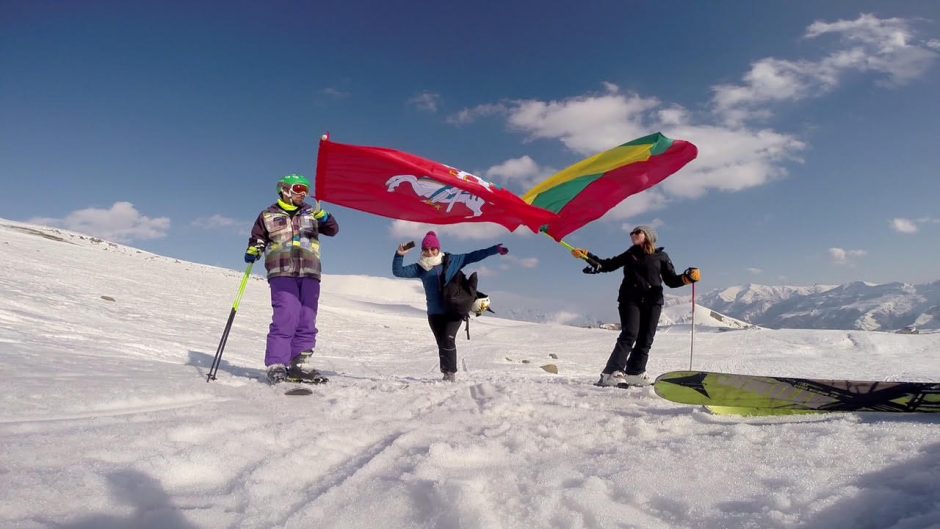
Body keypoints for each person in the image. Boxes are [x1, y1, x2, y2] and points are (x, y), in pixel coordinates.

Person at [573, 225, 700, 387]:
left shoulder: (661, 256)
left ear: (648, 235)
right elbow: (608, 265)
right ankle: (610, 373)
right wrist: (587, 256)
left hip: (653, 301)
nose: (632, 234)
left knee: (646, 338)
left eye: (637, 232)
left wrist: (688, 278)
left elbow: (671, 280)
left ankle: (635, 372)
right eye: (631, 233)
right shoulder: (630, 254)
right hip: (630, 299)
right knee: (630, 333)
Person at [245, 174, 339, 384]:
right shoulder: (267, 214)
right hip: (281, 271)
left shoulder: (311, 213)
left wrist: (324, 215)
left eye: (306, 189)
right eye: (298, 188)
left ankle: (300, 362)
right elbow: (257, 237)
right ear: (285, 189)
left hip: (310, 271)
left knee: (307, 317)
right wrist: (255, 248)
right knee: (287, 314)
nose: (303, 193)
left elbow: (333, 230)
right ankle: (277, 363)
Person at [392, 231, 508, 381]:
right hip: (434, 314)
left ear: (438, 248)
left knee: (448, 339)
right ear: (422, 250)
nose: (430, 252)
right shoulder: (420, 268)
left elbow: (473, 256)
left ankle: (450, 374)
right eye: (426, 249)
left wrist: (494, 250)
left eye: (433, 248)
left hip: (453, 310)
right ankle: (445, 371)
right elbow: (398, 271)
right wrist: (399, 254)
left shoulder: (452, 261)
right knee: (441, 343)